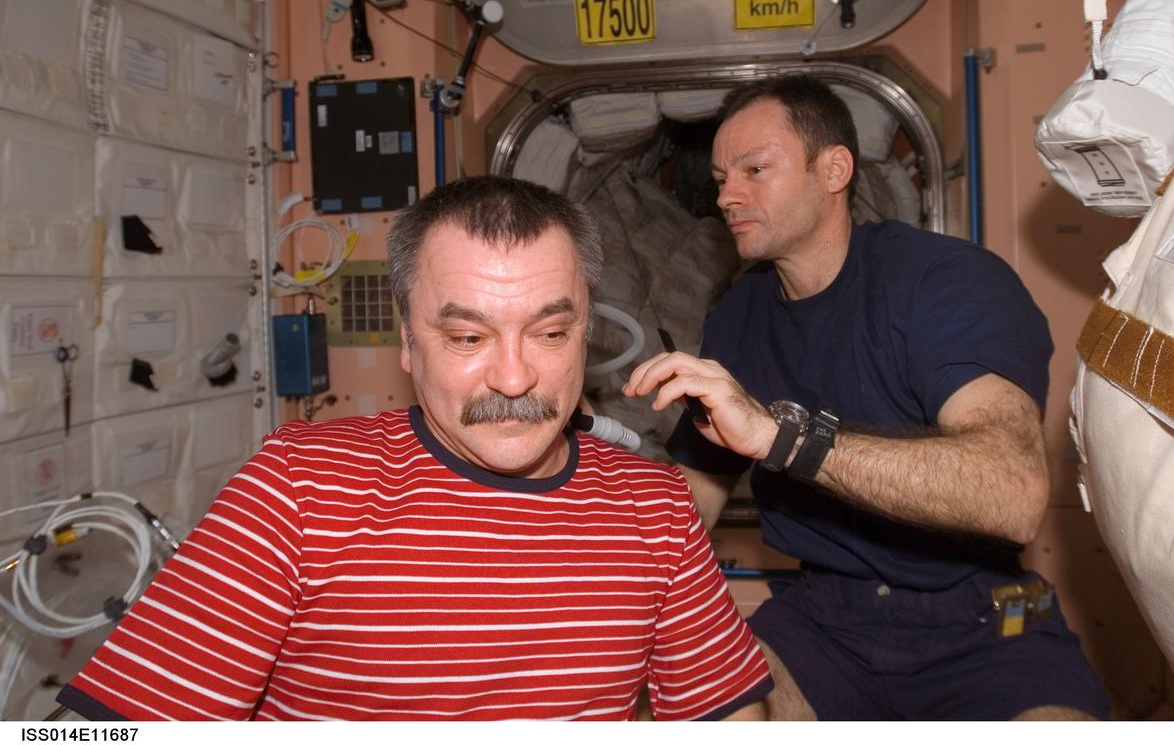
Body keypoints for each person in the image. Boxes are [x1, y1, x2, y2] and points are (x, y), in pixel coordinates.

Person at [57, 176, 771, 721]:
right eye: (467, 337)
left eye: (551, 333)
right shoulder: (297, 490)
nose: (516, 375)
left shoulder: (656, 507)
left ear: (589, 332)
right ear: (406, 340)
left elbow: (735, 716)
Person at [623, 75, 1110, 721]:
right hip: (826, 620)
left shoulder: (945, 281)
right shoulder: (738, 314)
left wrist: (781, 437)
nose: (726, 197)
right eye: (719, 178)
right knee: (717, 711)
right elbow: (692, 498)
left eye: (754, 169)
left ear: (834, 168)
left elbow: (1013, 493)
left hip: (978, 619)